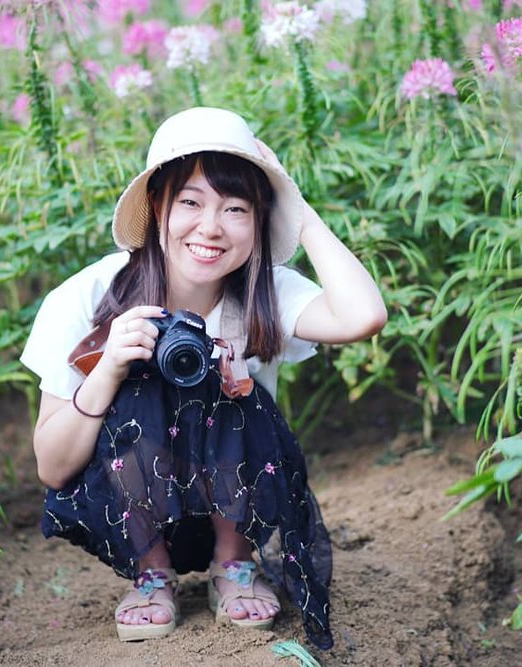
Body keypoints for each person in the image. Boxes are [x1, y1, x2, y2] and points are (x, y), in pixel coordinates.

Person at [21, 107, 386, 649]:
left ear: (259, 221)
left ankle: (234, 563)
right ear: (157, 206)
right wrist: (110, 368)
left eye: (236, 209)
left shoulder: (264, 291)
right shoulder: (86, 298)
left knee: (225, 385)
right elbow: (52, 468)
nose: (211, 227)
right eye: (190, 202)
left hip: (236, 502)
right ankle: (151, 573)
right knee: (138, 382)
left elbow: (365, 316)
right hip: (130, 507)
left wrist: (301, 213)